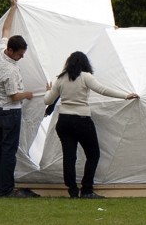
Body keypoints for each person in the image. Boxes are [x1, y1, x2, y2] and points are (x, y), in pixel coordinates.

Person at [44, 51, 138, 199]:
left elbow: (48, 101)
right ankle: (87, 189)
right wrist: (125, 95)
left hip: (64, 121)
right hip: (81, 120)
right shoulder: (85, 77)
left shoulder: (61, 79)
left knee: (69, 157)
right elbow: (103, 90)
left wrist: (48, 91)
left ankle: (72, 191)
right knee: (93, 154)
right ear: (84, 63)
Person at [0, 0, 45, 198]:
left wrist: (13, 8)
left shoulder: (0, 51)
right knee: (8, 152)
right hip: (10, 113)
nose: (21, 57)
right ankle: (6, 189)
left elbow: (5, 30)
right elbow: (14, 96)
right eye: (20, 54)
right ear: (11, 51)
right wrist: (29, 94)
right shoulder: (9, 70)